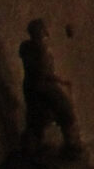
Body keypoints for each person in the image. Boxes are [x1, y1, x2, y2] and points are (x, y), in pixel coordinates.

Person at [19, 19, 81, 155]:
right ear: (40, 32)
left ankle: (33, 146)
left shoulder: (26, 47)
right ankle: (71, 146)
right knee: (66, 111)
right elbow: (45, 73)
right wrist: (63, 81)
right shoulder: (40, 50)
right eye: (43, 30)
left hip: (31, 87)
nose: (46, 32)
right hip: (43, 88)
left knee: (37, 118)